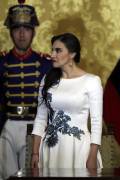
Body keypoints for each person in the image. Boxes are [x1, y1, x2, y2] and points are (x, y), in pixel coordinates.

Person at [31, 33, 103, 169]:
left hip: (79, 149)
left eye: (58, 50)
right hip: (50, 149)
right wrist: (35, 153)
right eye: (52, 50)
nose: (52, 54)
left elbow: (96, 122)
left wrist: (92, 156)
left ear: (72, 54)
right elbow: (40, 118)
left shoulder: (92, 81)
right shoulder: (47, 79)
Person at [0, 1, 52, 178]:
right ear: (11, 32)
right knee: (6, 176)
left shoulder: (46, 63)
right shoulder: (2, 62)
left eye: (26, 29)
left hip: (34, 127)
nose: (22, 34)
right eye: (17, 29)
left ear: (33, 32)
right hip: (6, 126)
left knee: (30, 174)